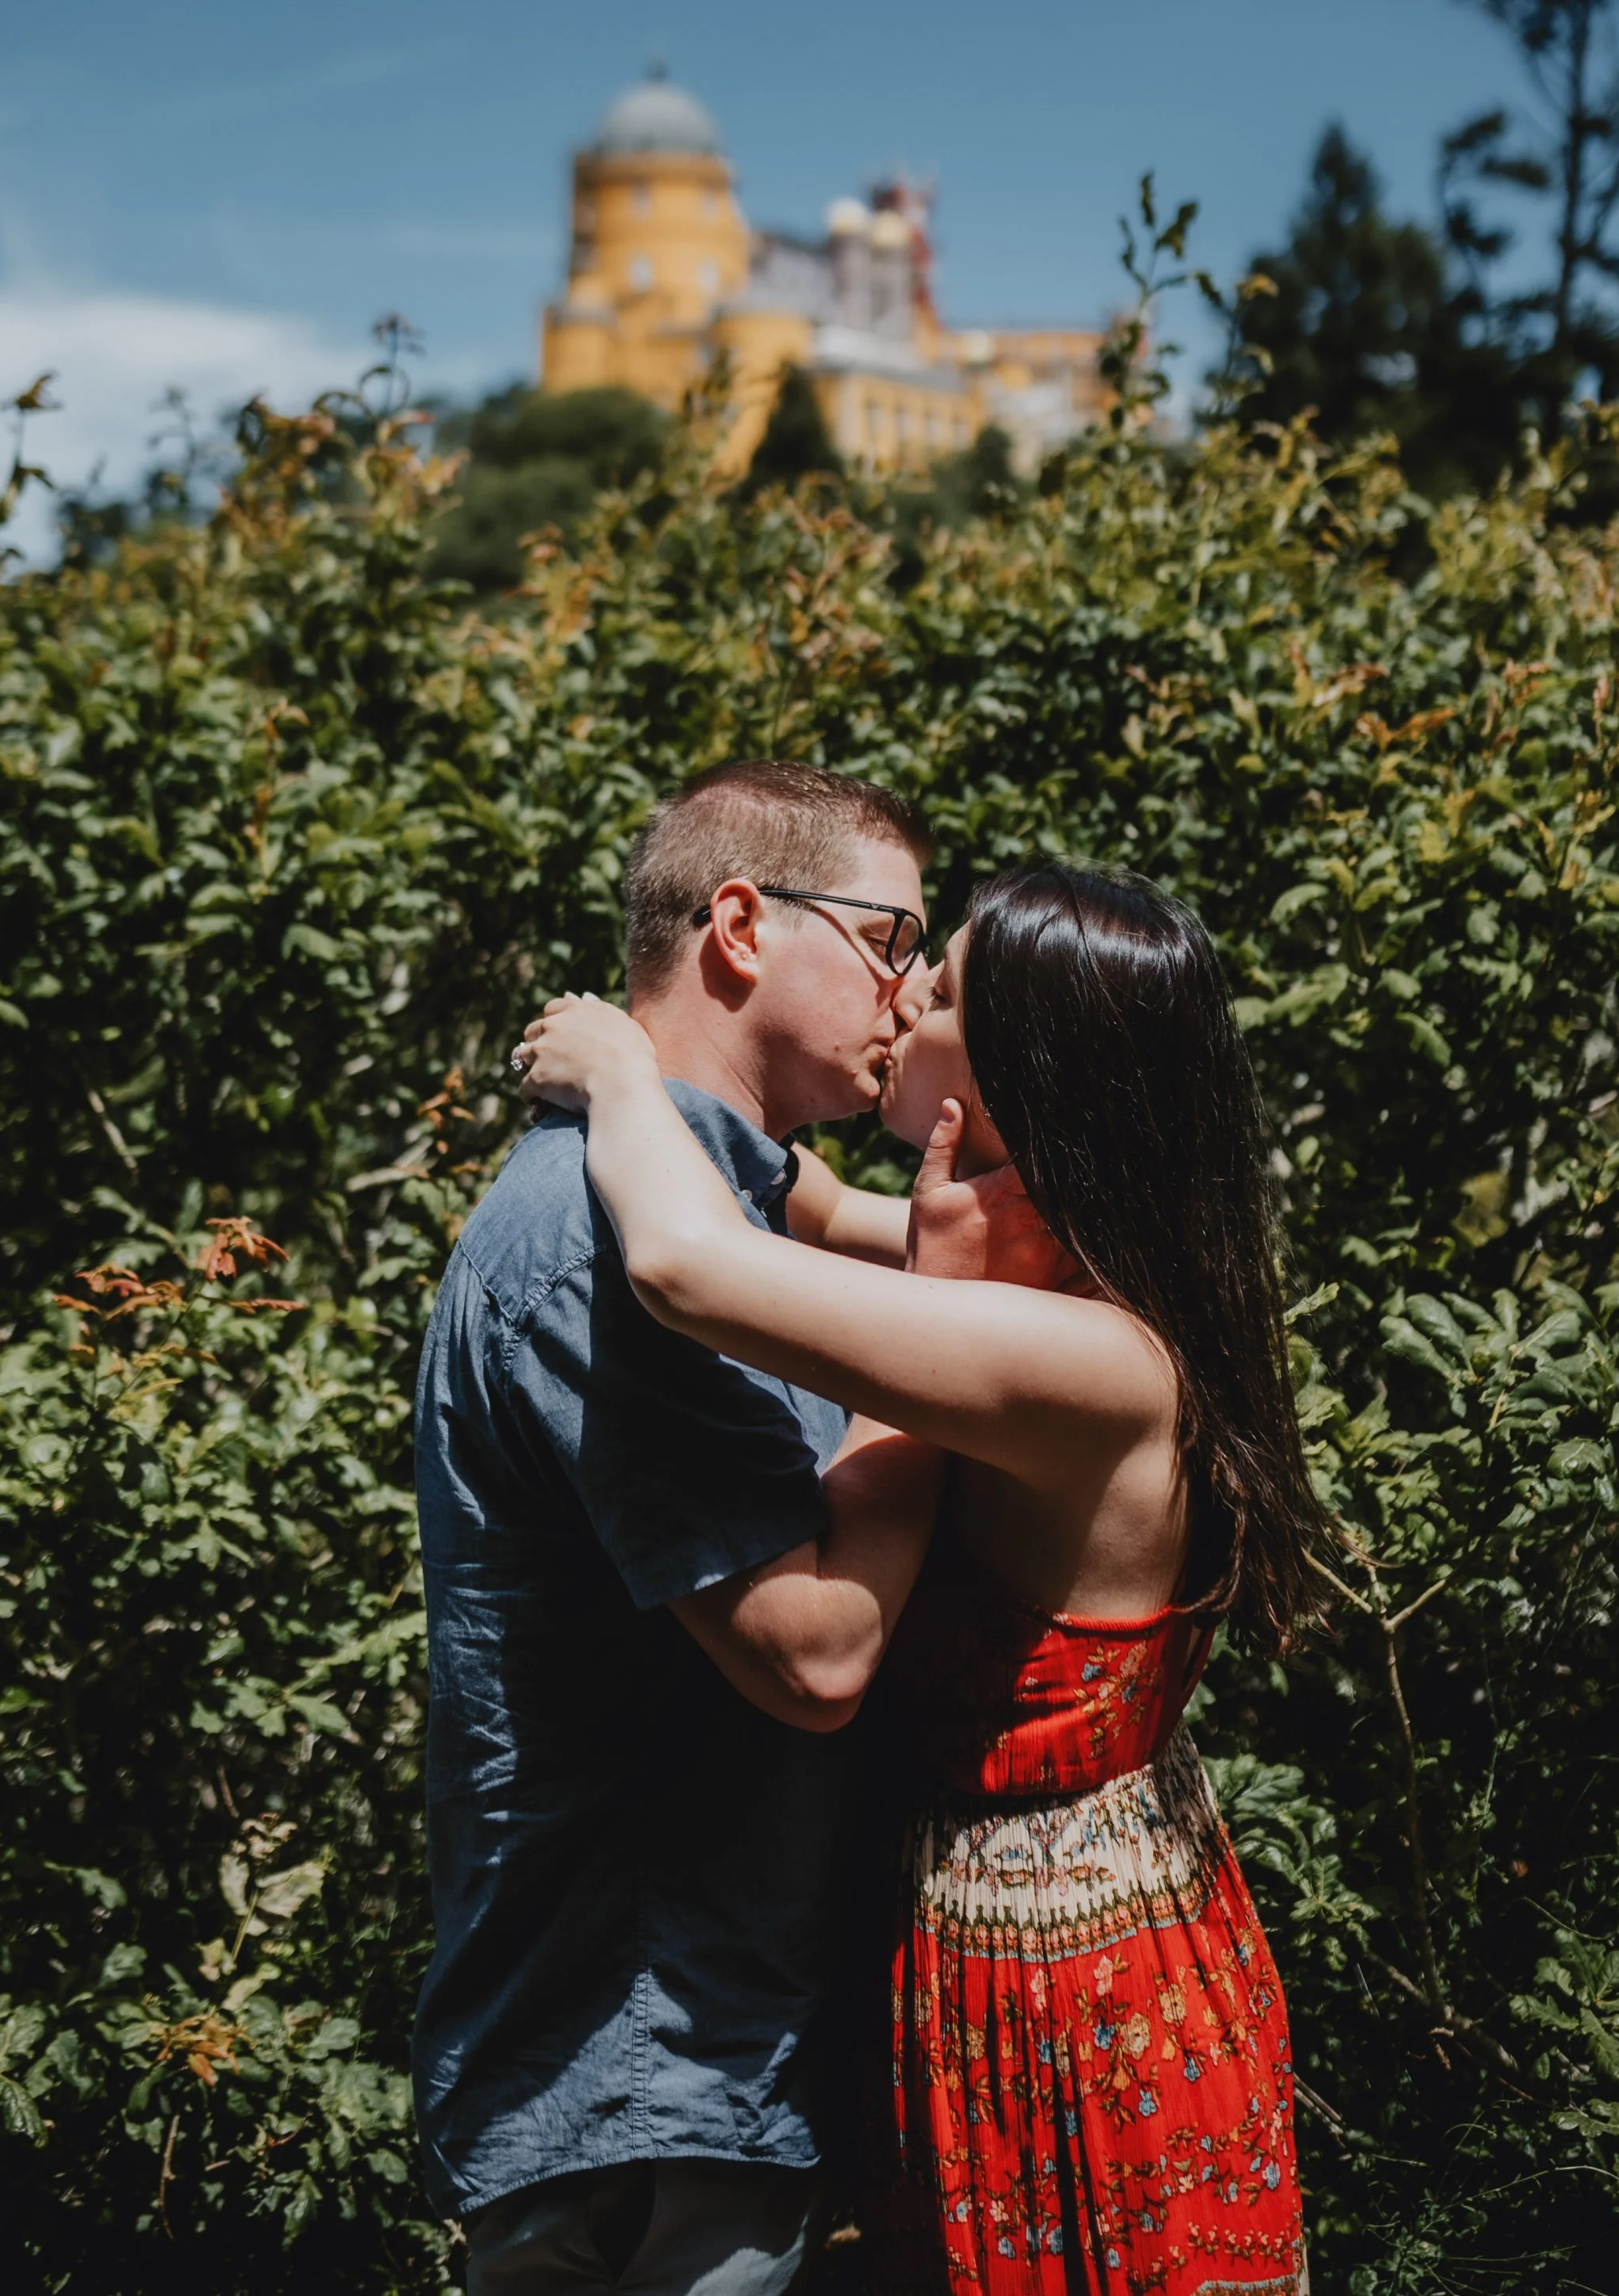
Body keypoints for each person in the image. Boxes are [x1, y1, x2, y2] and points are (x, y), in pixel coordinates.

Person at [516, 859, 1320, 2296]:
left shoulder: (1084, 1355)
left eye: (935, 988)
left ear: (1020, 1071)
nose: (901, 995)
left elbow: (691, 1270)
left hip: (1072, 2012)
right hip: (1031, 1953)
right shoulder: (1053, 1258)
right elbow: (813, 1206)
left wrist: (621, 1073)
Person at [412, 761, 1052, 2296]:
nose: (904, 991)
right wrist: (938, 1364)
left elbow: (887, 1230)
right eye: (890, 937)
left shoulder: (718, 1209)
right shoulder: (605, 1244)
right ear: (746, 926)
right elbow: (810, 1651)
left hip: (698, 2065)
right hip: (642, 2083)